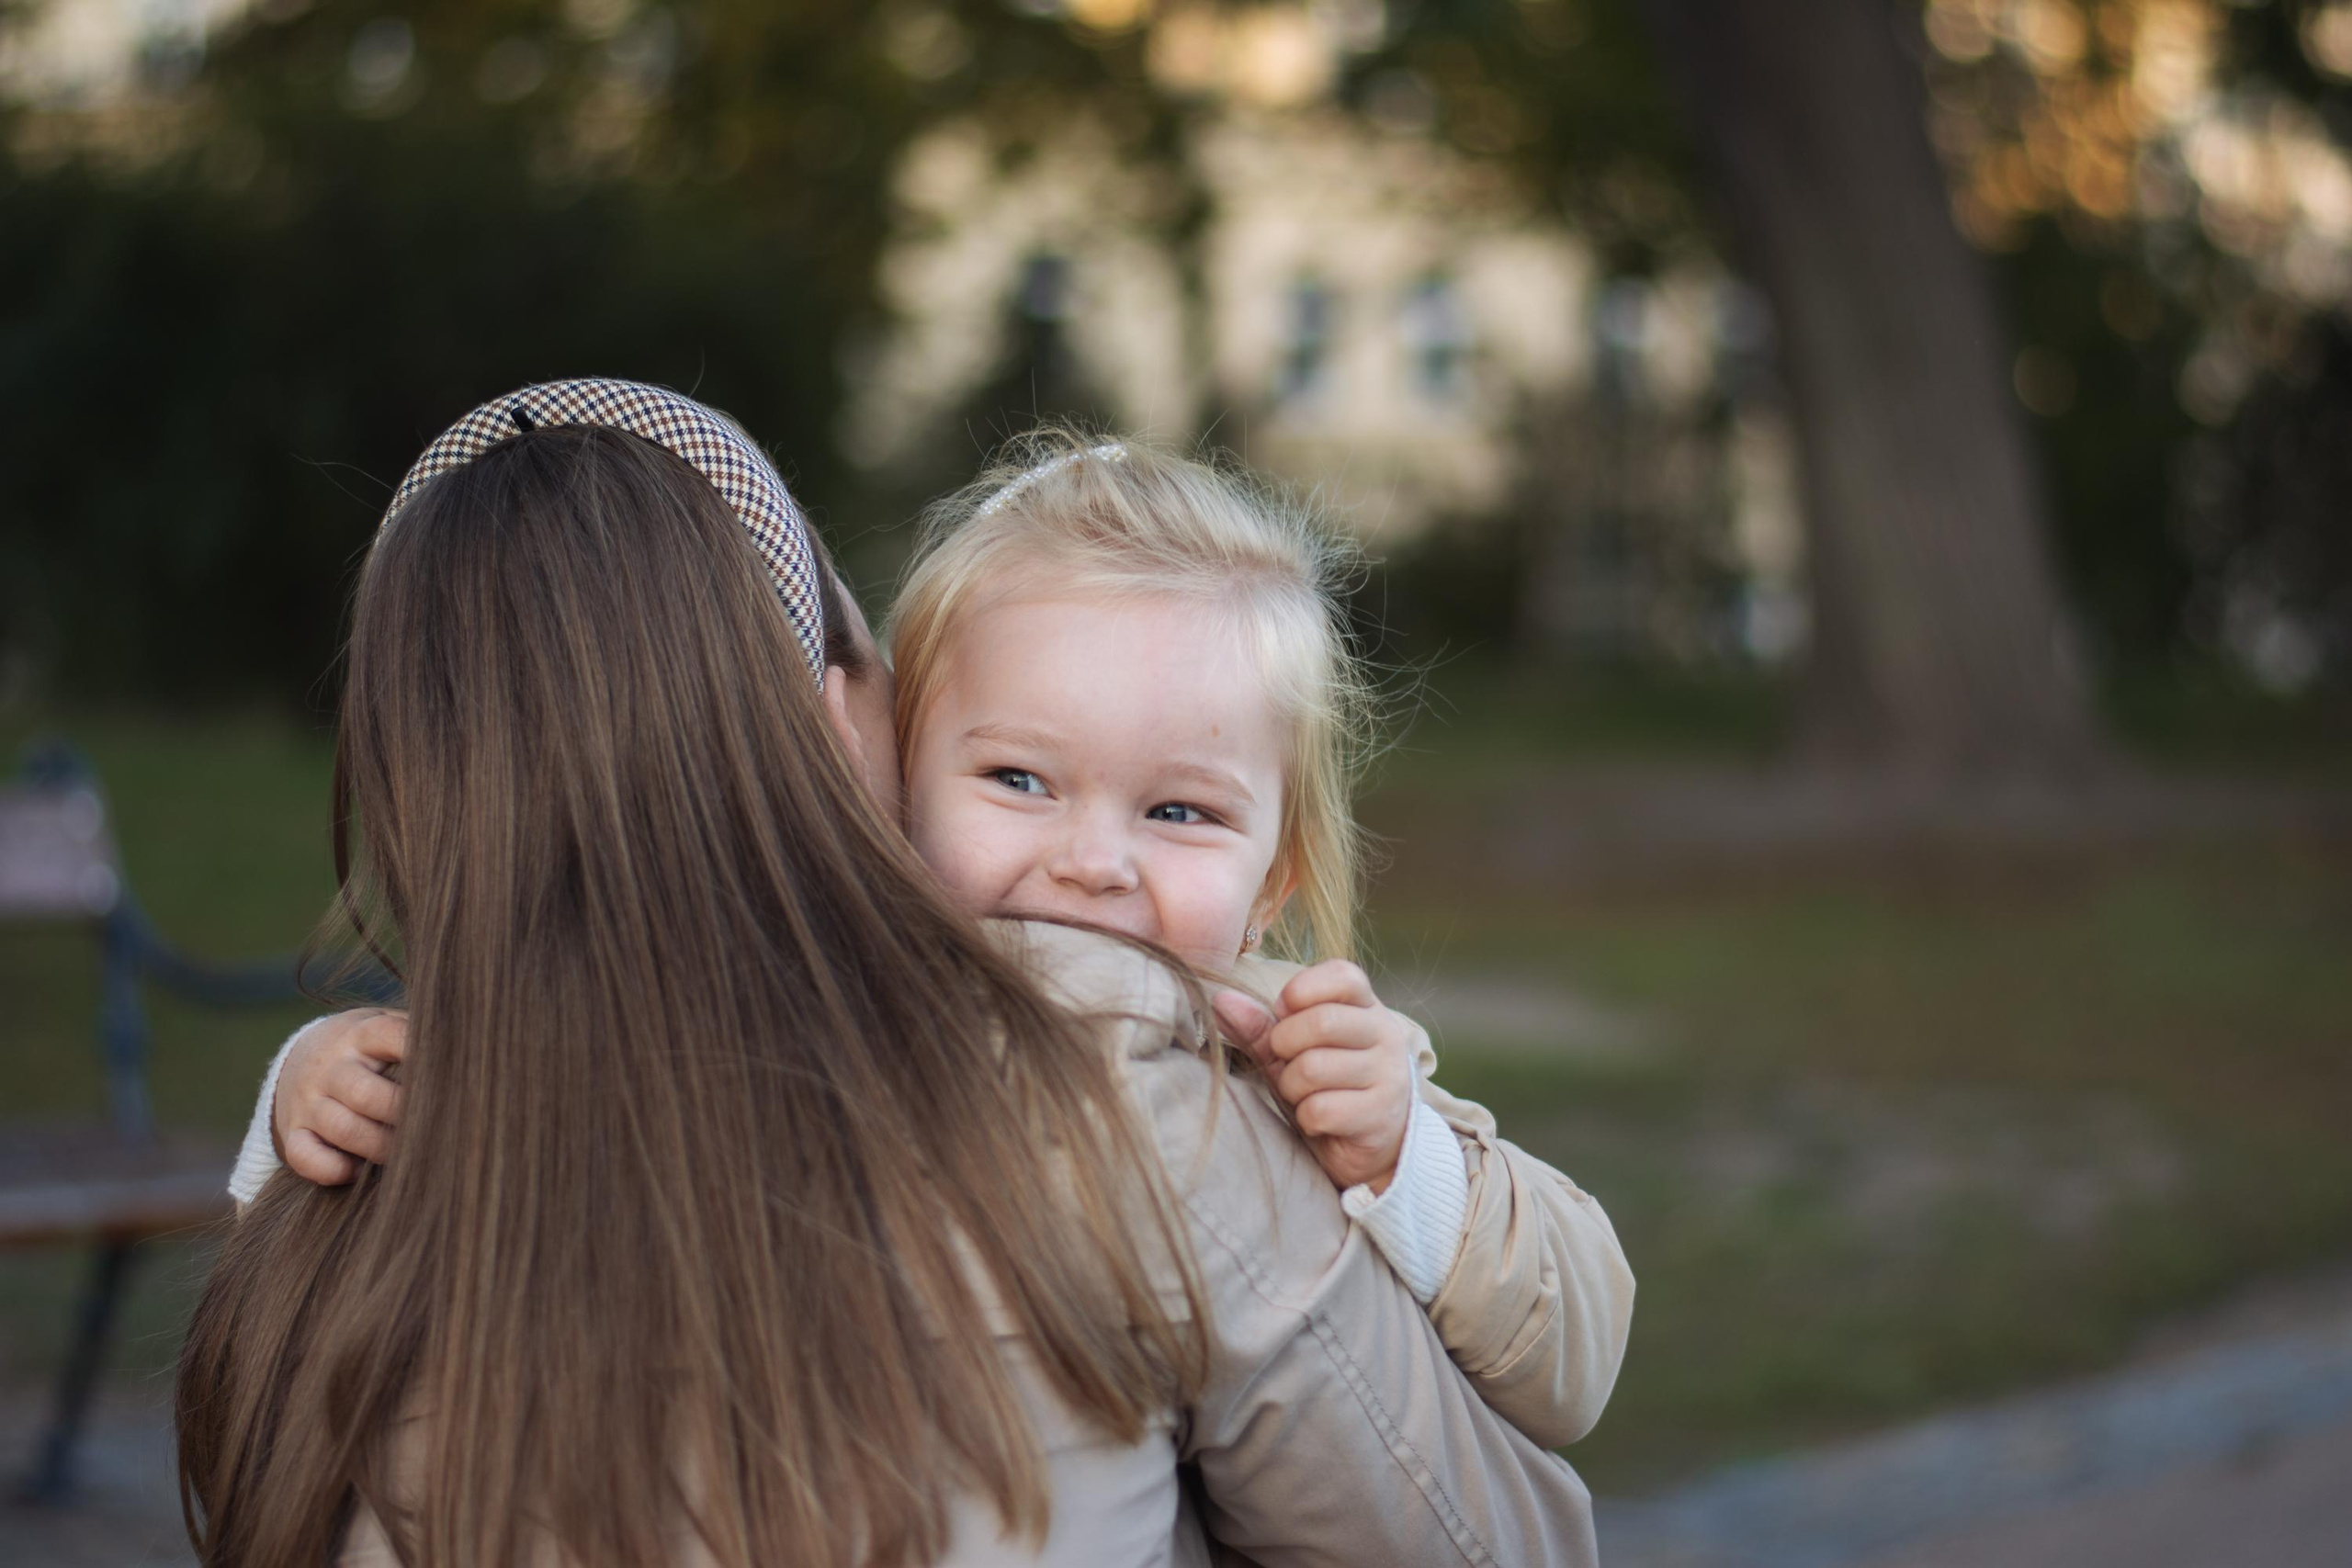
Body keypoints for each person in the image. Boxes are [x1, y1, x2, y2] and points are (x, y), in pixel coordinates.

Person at [178, 380, 1600, 1567]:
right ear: (837, 725)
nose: (1089, 867)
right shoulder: (1115, 1088)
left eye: (1176, 809)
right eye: (1017, 778)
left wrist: (1417, 1161)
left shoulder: (352, 1175)